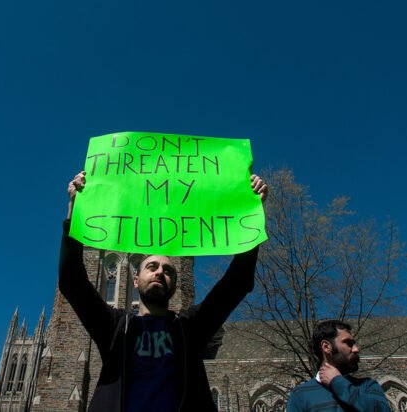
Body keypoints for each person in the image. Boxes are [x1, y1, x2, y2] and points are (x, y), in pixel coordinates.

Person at [60, 171, 268, 412]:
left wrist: (253, 211)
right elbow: (72, 281)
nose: (160, 272)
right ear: (135, 279)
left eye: (167, 270)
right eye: (152, 267)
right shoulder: (115, 328)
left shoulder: (190, 328)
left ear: (174, 285)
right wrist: (75, 212)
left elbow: (237, 282)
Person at [286, 320, 391, 411]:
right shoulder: (300, 395)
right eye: (348, 343)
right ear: (326, 347)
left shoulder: (367, 386)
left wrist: (337, 382)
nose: (356, 349)